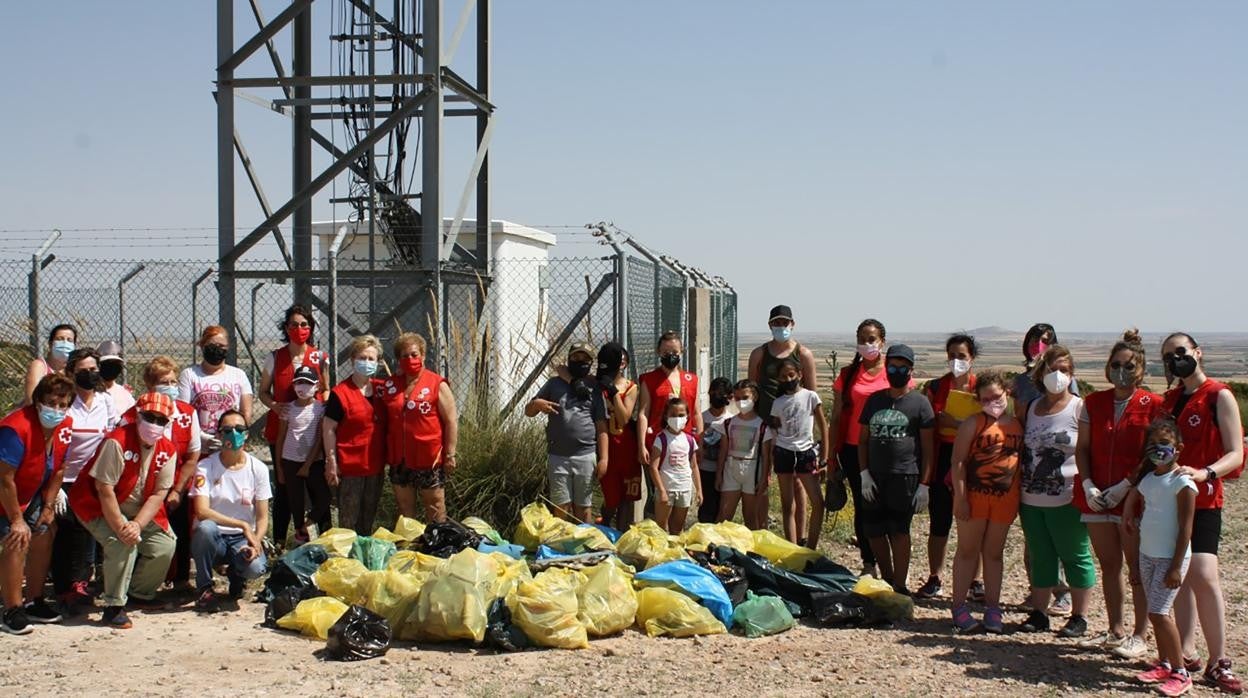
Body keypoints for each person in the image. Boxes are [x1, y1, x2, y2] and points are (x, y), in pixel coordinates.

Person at [1161, 332, 1244, 693]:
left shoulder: (1219, 395)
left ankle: (1219, 661)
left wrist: (1206, 472)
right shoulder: (1170, 400)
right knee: (1177, 576)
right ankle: (1187, 652)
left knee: (1205, 575)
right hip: (1169, 501)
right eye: (1168, 356)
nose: (1176, 359)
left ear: (1197, 352)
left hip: (1205, 499)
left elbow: (1235, 453)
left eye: (1181, 352)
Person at [1072, 329, 1160, 658]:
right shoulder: (1092, 403)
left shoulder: (1154, 405)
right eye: (1115, 365)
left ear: (1142, 370)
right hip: (1096, 498)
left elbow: (1155, 453)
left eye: (1129, 366)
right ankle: (1115, 629)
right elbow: (1082, 448)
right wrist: (1088, 483)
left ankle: (1140, 633)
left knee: (1136, 567)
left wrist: (1127, 484)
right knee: (1109, 564)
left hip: (1134, 501)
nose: (1121, 372)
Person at [69, 392, 178, 630]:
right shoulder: (116, 441)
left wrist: (137, 524)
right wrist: (121, 527)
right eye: (150, 417)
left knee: (165, 545)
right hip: (96, 504)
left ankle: (140, 593)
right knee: (122, 543)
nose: (155, 424)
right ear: (138, 416)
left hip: (139, 509)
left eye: (161, 420)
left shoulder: (168, 449)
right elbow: (103, 488)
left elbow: (159, 493)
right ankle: (113, 606)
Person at [1017, 345, 1095, 638]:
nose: (1058, 375)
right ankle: (1039, 613)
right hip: (1031, 497)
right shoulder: (1031, 407)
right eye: (1052, 369)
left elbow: (1087, 450)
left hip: (1068, 496)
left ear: (1072, 373)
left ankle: (1079, 616)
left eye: (1064, 369)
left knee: (1075, 555)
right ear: (1041, 373)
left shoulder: (1080, 408)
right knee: (1040, 555)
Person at [1124, 419, 1197, 698]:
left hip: (1170, 558)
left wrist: (1177, 565)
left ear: (1178, 448)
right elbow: (1139, 498)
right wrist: (1130, 513)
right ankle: (1165, 662)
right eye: (1152, 445)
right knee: (1156, 612)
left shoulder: (1183, 483)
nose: (1158, 450)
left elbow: (1186, 528)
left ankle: (1181, 672)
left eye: (1164, 445)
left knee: (1158, 612)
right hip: (1148, 554)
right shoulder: (1150, 478)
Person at [1013, 322, 1080, 615]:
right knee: (1035, 543)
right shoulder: (1021, 381)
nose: (1040, 344)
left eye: (1046, 340)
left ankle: (1064, 594)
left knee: (1064, 542)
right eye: (1036, 339)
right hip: (1031, 473)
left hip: (1064, 478)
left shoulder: (1068, 385)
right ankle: (1037, 591)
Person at [0, 373, 75, 635]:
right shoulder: (16, 428)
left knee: (45, 531)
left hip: (29, 496)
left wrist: (47, 506)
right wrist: (16, 520)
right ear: (37, 401)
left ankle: (34, 600)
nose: (56, 408)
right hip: (6, 497)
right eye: (50, 402)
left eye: (62, 403)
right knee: (16, 538)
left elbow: (59, 469)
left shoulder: (65, 427)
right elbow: (4, 479)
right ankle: (12, 609)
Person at [948, 371, 1022, 635]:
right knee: (967, 551)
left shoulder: (1017, 425)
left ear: (1007, 393)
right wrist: (960, 497)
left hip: (1005, 500)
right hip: (974, 498)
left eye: (997, 396)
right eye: (986, 398)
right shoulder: (973, 423)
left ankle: (993, 608)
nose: (993, 402)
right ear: (978, 400)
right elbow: (957, 463)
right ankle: (958, 608)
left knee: (994, 554)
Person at [858, 344, 934, 594]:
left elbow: (928, 447)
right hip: (875, 476)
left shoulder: (920, 404)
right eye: (892, 366)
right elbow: (863, 440)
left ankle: (900, 585)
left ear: (910, 370)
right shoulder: (874, 401)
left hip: (905, 476)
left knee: (899, 531)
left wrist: (924, 484)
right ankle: (887, 579)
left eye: (902, 367)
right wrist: (864, 474)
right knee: (874, 530)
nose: (896, 371)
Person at [52, 347, 120, 612]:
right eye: (84, 371)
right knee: (68, 533)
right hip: (66, 480)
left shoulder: (105, 401)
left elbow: (113, 433)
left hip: (94, 479)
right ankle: (64, 588)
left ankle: (83, 583)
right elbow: (55, 444)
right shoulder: (65, 403)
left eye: (94, 370)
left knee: (90, 531)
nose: (91, 375)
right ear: (71, 373)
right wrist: (56, 488)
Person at [257, 305, 328, 547]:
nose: (299, 329)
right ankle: (279, 541)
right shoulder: (275, 357)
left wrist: (322, 407)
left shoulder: (319, 357)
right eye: (294, 324)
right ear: (286, 328)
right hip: (282, 429)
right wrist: (275, 406)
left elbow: (326, 388)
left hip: (312, 429)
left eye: (304, 324)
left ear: (311, 328)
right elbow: (263, 392)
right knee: (285, 487)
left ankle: (322, 538)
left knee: (317, 487)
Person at [916, 333, 980, 600]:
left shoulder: (982, 387)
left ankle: (976, 580)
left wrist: (954, 423)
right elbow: (928, 426)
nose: (956, 361)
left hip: (973, 460)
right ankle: (935, 576)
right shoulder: (934, 387)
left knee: (973, 522)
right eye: (952, 355)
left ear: (972, 358)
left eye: (962, 356)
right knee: (939, 520)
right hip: (943, 456)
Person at [748, 305, 820, 538]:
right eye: (776, 323)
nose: (781, 327)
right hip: (764, 424)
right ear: (770, 325)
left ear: (793, 324)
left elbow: (812, 394)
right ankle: (762, 533)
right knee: (762, 478)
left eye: (785, 323)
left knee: (798, 484)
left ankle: (800, 538)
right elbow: (752, 389)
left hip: (794, 433)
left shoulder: (803, 354)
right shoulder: (759, 354)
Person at [189, 409, 270, 612]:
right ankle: (205, 587)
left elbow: (262, 517)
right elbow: (202, 511)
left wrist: (256, 541)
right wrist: (242, 524)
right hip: (215, 537)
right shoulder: (206, 467)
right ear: (218, 434)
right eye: (227, 430)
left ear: (247, 434)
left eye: (239, 429)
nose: (233, 434)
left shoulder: (258, 469)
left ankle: (237, 574)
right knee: (205, 528)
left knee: (256, 567)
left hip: (241, 540)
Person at [829, 318, 893, 577]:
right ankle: (869, 563)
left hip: (887, 449)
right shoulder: (848, 375)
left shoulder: (895, 371)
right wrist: (831, 457)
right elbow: (834, 418)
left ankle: (892, 567)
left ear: (882, 341)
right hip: (853, 449)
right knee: (863, 506)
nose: (867, 344)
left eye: (872, 339)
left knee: (888, 507)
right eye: (862, 339)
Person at [135, 357, 202, 593]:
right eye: (165, 382)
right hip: (145, 487)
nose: (171, 387)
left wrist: (177, 490)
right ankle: (142, 583)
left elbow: (192, 456)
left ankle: (181, 579)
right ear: (151, 386)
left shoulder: (187, 413)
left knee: (181, 529)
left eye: (174, 381)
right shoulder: (138, 412)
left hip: (176, 485)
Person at [379, 332, 458, 523]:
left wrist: (450, 454)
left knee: (435, 506)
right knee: (405, 510)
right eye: (404, 356)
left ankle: (437, 546)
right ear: (398, 359)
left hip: (429, 457)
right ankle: (410, 547)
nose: (410, 359)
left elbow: (451, 421)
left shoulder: (436, 384)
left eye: (414, 354)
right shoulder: (390, 384)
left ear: (423, 355)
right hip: (400, 458)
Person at [526, 343, 608, 524]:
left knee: (583, 507)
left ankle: (583, 542)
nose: (580, 362)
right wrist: (536, 404)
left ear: (591, 362)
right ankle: (561, 543)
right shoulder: (554, 384)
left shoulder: (594, 388)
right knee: (561, 506)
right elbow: (529, 411)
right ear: (569, 359)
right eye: (576, 358)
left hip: (586, 456)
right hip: (558, 456)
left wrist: (604, 459)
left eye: (585, 359)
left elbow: (602, 427)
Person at [323, 335, 386, 535]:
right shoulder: (340, 393)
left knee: (368, 522)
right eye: (362, 357)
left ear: (378, 362)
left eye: (371, 359)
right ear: (352, 360)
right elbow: (329, 428)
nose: (367, 362)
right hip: (350, 469)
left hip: (375, 466)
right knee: (348, 524)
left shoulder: (382, 390)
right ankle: (346, 562)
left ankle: (363, 560)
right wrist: (331, 461)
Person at [769, 361, 829, 547]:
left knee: (818, 503)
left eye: (791, 375)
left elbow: (823, 427)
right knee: (787, 505)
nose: (788, 379)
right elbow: (775, 430)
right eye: (783, 377)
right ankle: (792, 548)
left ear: (800, 374)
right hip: (784, 453)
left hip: (806, 453)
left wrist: (825, 458)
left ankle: (810, 548)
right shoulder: (778, 403)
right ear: (778, 379)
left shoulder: (810, 396)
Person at [178, 325, 254, 452]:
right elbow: (183, 412)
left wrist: (234, 437)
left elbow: (246, 413)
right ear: (202, 346)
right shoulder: (189, 374)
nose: (216, 349)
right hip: (199, 448)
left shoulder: (238, 375)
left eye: (221, 346)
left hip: (230, 446)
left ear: (228, 347)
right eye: (212, 345)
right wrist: (204, 438)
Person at [275, 366, 328, 543]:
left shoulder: (320, 409)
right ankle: (300, 537)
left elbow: (320, 439)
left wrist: (307, 465)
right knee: (295, 503)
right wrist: (280, 468)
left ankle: (311, 524)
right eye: (299, 382)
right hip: (290, 461)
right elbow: (281, 438)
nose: (303, 387)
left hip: (314, 463)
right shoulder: (288, 409)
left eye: (307, 383)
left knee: (323, 498)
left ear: (316, 386)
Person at [636, 331, 702, 467]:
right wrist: (641, 445)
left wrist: (699, 442)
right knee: (658, 486)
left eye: (674, 351)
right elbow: (643, 414)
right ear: (658, 352)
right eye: (665, 352)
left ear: (681, 352)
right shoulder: (649, 380)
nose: (670, 355)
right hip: (657, 444)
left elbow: (696, 413)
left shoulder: (692, 379)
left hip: (685, 444)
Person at [595, 342, 641, 530]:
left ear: (626, 364)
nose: (619, 364)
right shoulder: (596, 383)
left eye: (623, 360)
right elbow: (563, 370)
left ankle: (621, 536)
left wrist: (613, 393)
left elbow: (623, 419)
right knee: (611, 498)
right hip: (607, 448)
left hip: (626, 447)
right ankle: (604, 526)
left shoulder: (630, 387)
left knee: (627, 498)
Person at [715, 380, 767, 528]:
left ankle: (752, 550)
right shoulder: (728, 423)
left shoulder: (762, 425)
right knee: (723, 516)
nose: (741, 402)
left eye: (745, 398)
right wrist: (719, 474)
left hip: (752, 470)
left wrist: (764, 478)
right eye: (737, 398)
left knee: (751, 517)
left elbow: (766, 455)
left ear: (755, 397)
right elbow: (723, 450)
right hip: (731, 469)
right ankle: (718, 548)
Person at [649, 397, 701, 534]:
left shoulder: (689, 440)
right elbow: (653, 467)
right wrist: (661, 490)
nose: (677, 419)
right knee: (661, 527)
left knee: (678, 527)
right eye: (673, 415)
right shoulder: (661, 439)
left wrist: (699, 490)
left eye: (681, 415)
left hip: (684, 488)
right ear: (666, 416)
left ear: (687, 416)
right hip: (667, 488)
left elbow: (694, 466)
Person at [699, 377, 733, 524]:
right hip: (704, 469)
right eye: (714, 393)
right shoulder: (701, 418)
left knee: (721, 507)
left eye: (721, 394)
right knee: (706, 506)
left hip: (725, 470)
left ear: (730, 397)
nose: (717, 397)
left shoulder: (731, 420)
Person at [21, 323, 76, 406]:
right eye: (60, 339)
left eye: (69, 340)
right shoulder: (39, 366)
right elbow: (31, 401)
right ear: (50, 344)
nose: (65, 343)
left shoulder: (73, 369)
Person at [96, 341, 136, 415]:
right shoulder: (90, 392)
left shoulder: (125, 394)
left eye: (115, 365)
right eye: (106, 364)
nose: (110, 368)